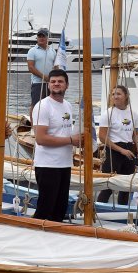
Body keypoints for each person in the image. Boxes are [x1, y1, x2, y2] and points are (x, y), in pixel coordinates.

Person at [32, 68, 83, 222]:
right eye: (53, 81)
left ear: (66, 85)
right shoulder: (43, 106)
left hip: (64, 164)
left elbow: (65, 131)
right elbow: (40, 138)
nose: (56, 84)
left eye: (60, 81)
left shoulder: (67, 105)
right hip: (47, 165)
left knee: (60, 208)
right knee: (45, 209)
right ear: (48, 85)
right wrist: (70, 141)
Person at [96, 85, 138, 205]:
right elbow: (102, 136)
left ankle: (123, 211)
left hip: (129, 150)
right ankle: (100, 209)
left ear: (126, 96)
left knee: (126, 187)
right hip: (114, 151)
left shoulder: (133, 114)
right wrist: (121, 150)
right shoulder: (108, 114)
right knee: (108, 187)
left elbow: (134, 134)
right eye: (113, 94)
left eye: (118, 94)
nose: (115, 96)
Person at [26, 28, 56, 122]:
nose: (41, 38)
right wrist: (44, 77)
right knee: (35, 104)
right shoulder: (32, 51)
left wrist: (55, 78)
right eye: (39, 36)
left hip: (50, 83)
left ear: (47, 38)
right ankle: (33, 127)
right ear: (37, 38)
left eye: (43, 36)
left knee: (51, 104)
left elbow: (55, 66)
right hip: (37, 83)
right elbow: (31, 67)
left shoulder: (52, 51)